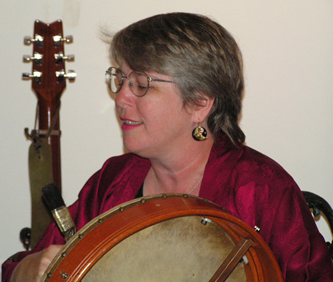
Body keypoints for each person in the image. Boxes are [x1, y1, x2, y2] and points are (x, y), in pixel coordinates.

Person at [2, 12, 333, 282]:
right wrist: (24, 271)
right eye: (120, 79)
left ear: (199, 103)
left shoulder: (261, 190)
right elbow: (37, 262)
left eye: (141, 84)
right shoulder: (113, 180)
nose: (120, 98)